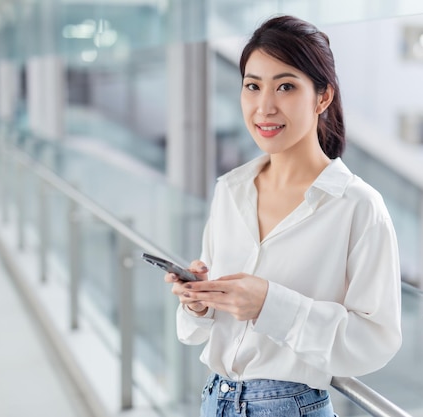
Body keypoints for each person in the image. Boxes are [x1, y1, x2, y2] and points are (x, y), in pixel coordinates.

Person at [165, 14, 402, 417]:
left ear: (322, 97)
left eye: (286, 87)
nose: (264, 107)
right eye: (252, 86)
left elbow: (375, 340)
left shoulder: (357, 206)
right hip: (213, 399)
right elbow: (198, 333)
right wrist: (199, 303)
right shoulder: (230, 190)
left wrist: (269, 305)